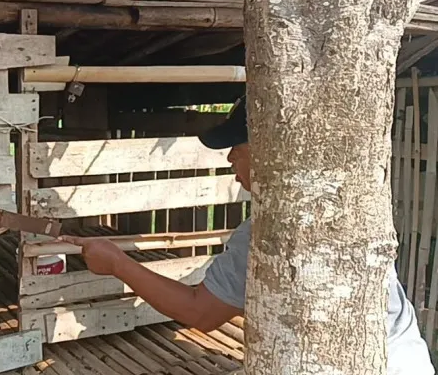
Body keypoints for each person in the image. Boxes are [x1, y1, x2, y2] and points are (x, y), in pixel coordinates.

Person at [56, 96, 435, 374]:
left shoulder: (266, 233)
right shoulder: (350, 207)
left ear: (270, 151)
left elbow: (198, 311)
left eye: (236, 148)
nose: (229, 160)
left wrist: (118, 264)